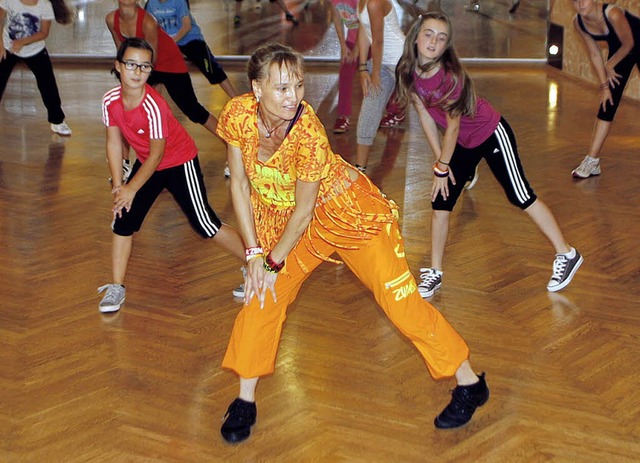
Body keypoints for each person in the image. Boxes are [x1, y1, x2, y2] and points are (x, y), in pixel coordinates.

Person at [216, 42, 489, 444]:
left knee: (401, 303)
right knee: (262, 298)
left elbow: (306, 212)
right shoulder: (237, 115)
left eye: (298, 85)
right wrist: (254, 254)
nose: (293, 97)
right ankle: (245, 398)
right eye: (281, 88)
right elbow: (238, 182)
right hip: (283, 220)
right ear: (256, 89)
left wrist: (270, 262)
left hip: (345, 212)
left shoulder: (306, 129)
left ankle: (469, 383)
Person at [394, 12, 583, 298]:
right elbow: (425, 115)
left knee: (520, 196)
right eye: (429, 34)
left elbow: (454, 125)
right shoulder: (408, 71)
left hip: (491, 133)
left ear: (447, 47)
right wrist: (439, 162)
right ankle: (435, 272)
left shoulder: (449, 77)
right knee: (440, 201)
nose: (434, 41)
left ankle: (567, 253)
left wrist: (444, 166)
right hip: (462, 143)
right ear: (416, 35)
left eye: (441, 38)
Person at [98, 38, 246, 313]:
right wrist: (119, 187)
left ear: (150, 71)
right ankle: (116, 287)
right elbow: (114, 143)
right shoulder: (110, 101)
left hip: (179, 161)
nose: (137, 71)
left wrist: (131, 189)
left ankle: (256, 266)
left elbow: (157, 154)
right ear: (118, 66)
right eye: (131, 64)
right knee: (123, 218)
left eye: (144, 66)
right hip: (148, 164)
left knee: (206, 225)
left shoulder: (153, 105)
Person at [570, 0, 640, 179]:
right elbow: (594, 54)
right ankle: (592, 161)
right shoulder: (578, 22)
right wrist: (605, 87)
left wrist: (610, 64)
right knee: (607, 103)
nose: (580, 4)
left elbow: (629, 43)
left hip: (631, 44)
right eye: (575, 1)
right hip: (621, 52)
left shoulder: (613, 13)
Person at [0, 0, 72, 135]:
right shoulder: (9, 1)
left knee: (48, 85)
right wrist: (0, 44)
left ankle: (57, 121)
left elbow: (44, 33)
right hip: (8, 48)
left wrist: (22, 42)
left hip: (35, 50)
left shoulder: (45, 5)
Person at [143, 0, 237, 99]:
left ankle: (236, 99)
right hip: (166, 43)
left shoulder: (179, 2)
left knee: (210, 67)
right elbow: (149, 27)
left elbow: (187, 26)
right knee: (157, 71)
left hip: (189, 39)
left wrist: (171, 41)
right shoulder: (151, 4)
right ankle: (155, 103)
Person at [354, 0, 405, 174]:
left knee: (430, 111)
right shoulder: (361, 2)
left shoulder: (375, 2)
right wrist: (362, 68)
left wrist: (374, 72)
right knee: (369, 112)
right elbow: (364, 30)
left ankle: (461, 155)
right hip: (381, 62)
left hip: (400, 62)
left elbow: (378, 41)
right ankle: (360, 170)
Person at [329, 0, 359, 133]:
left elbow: (366, 24)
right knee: (345, 72)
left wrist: (358, 49)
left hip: (372, 39)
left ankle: (395, 110)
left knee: (386, 74)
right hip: (353, 39)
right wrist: (343, 45)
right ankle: (343, 116)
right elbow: (336, 17)